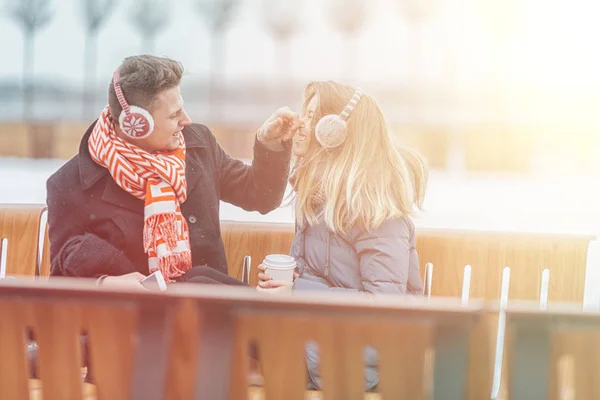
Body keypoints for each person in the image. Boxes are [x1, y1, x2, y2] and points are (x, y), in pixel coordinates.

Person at [46, 55, 300, 288]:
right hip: (133, 324)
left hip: (209, 315)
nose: (186, 120)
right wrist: (105, 283)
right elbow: (60, 275)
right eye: (174, 115)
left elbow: (260, 196)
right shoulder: (68, 184)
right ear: (136, 125)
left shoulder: (199, 144)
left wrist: (271, 144)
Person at [257, 80, 428, 390]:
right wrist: (284, 282)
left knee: (215, 313)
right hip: (318, 341)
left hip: (362, 359)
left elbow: (384, 305)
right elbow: (316, 276)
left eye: (311, 116)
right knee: (205, 289)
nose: (300, 123)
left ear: (333, 131)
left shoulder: (377, 214)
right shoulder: (319, 200)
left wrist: (295, 292)